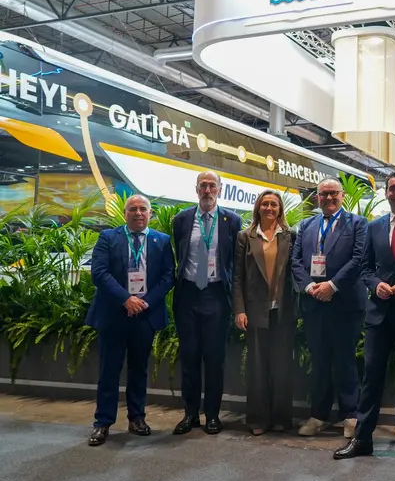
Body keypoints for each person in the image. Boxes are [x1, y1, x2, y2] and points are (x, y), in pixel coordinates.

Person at [334, 171, 395, 459]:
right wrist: (377, 285)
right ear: (386, 193)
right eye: (392, 189)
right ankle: (363, 438)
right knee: (371, 378)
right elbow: (365, 268)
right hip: (379, 315)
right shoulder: (373, 227)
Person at [86, 195, 175, 446]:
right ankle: (102, 423)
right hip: (114, 314)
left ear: (150, 213)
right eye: (133, 209)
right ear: (125, 213)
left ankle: (137, 418)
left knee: (139, 370)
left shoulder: (162, 241)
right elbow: (99, 273)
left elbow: (168, 277)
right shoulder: (108, 238)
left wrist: (145, 302)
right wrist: (126, 299)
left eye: (143, 209)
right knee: (109, 370)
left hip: (145, 316)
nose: (138, 213)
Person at [292, 177, 368, 438]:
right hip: (315, 304)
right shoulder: (306, 225)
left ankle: (351, 416)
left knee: (345, 361)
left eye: (333, 193)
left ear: (342, 194)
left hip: (345, 304)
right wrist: (310, 287)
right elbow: (296, 262)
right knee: (320, 362)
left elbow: (359, 259)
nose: (328, 198)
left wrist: (332, 286)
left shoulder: (358, 224)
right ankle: (318, 415)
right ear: (317, 196)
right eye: (323, 194)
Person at [172, 171, 242, 435]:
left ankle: (212, 414)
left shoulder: (232, 221)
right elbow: (180, 256)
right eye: (203, 185)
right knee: (189, 358)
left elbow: (236, 264)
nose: (208, 190)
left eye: (213, 186)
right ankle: (190, 414)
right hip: (188, 296)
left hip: (216, 297)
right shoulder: (182, 220)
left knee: (215, 360)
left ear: (220, 190)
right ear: (196, 189)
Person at [233, 190, 297, 435]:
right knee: (257, 368)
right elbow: (238, 276)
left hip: (283, 311)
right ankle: (258, 420)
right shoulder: (245, 237)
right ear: (258, 208)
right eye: (265, 204)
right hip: (255, 310)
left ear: (280, 209)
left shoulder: (290, 236)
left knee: (282, 367)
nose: (270, 208)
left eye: (274, 204)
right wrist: (239, 310)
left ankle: (282, 418)